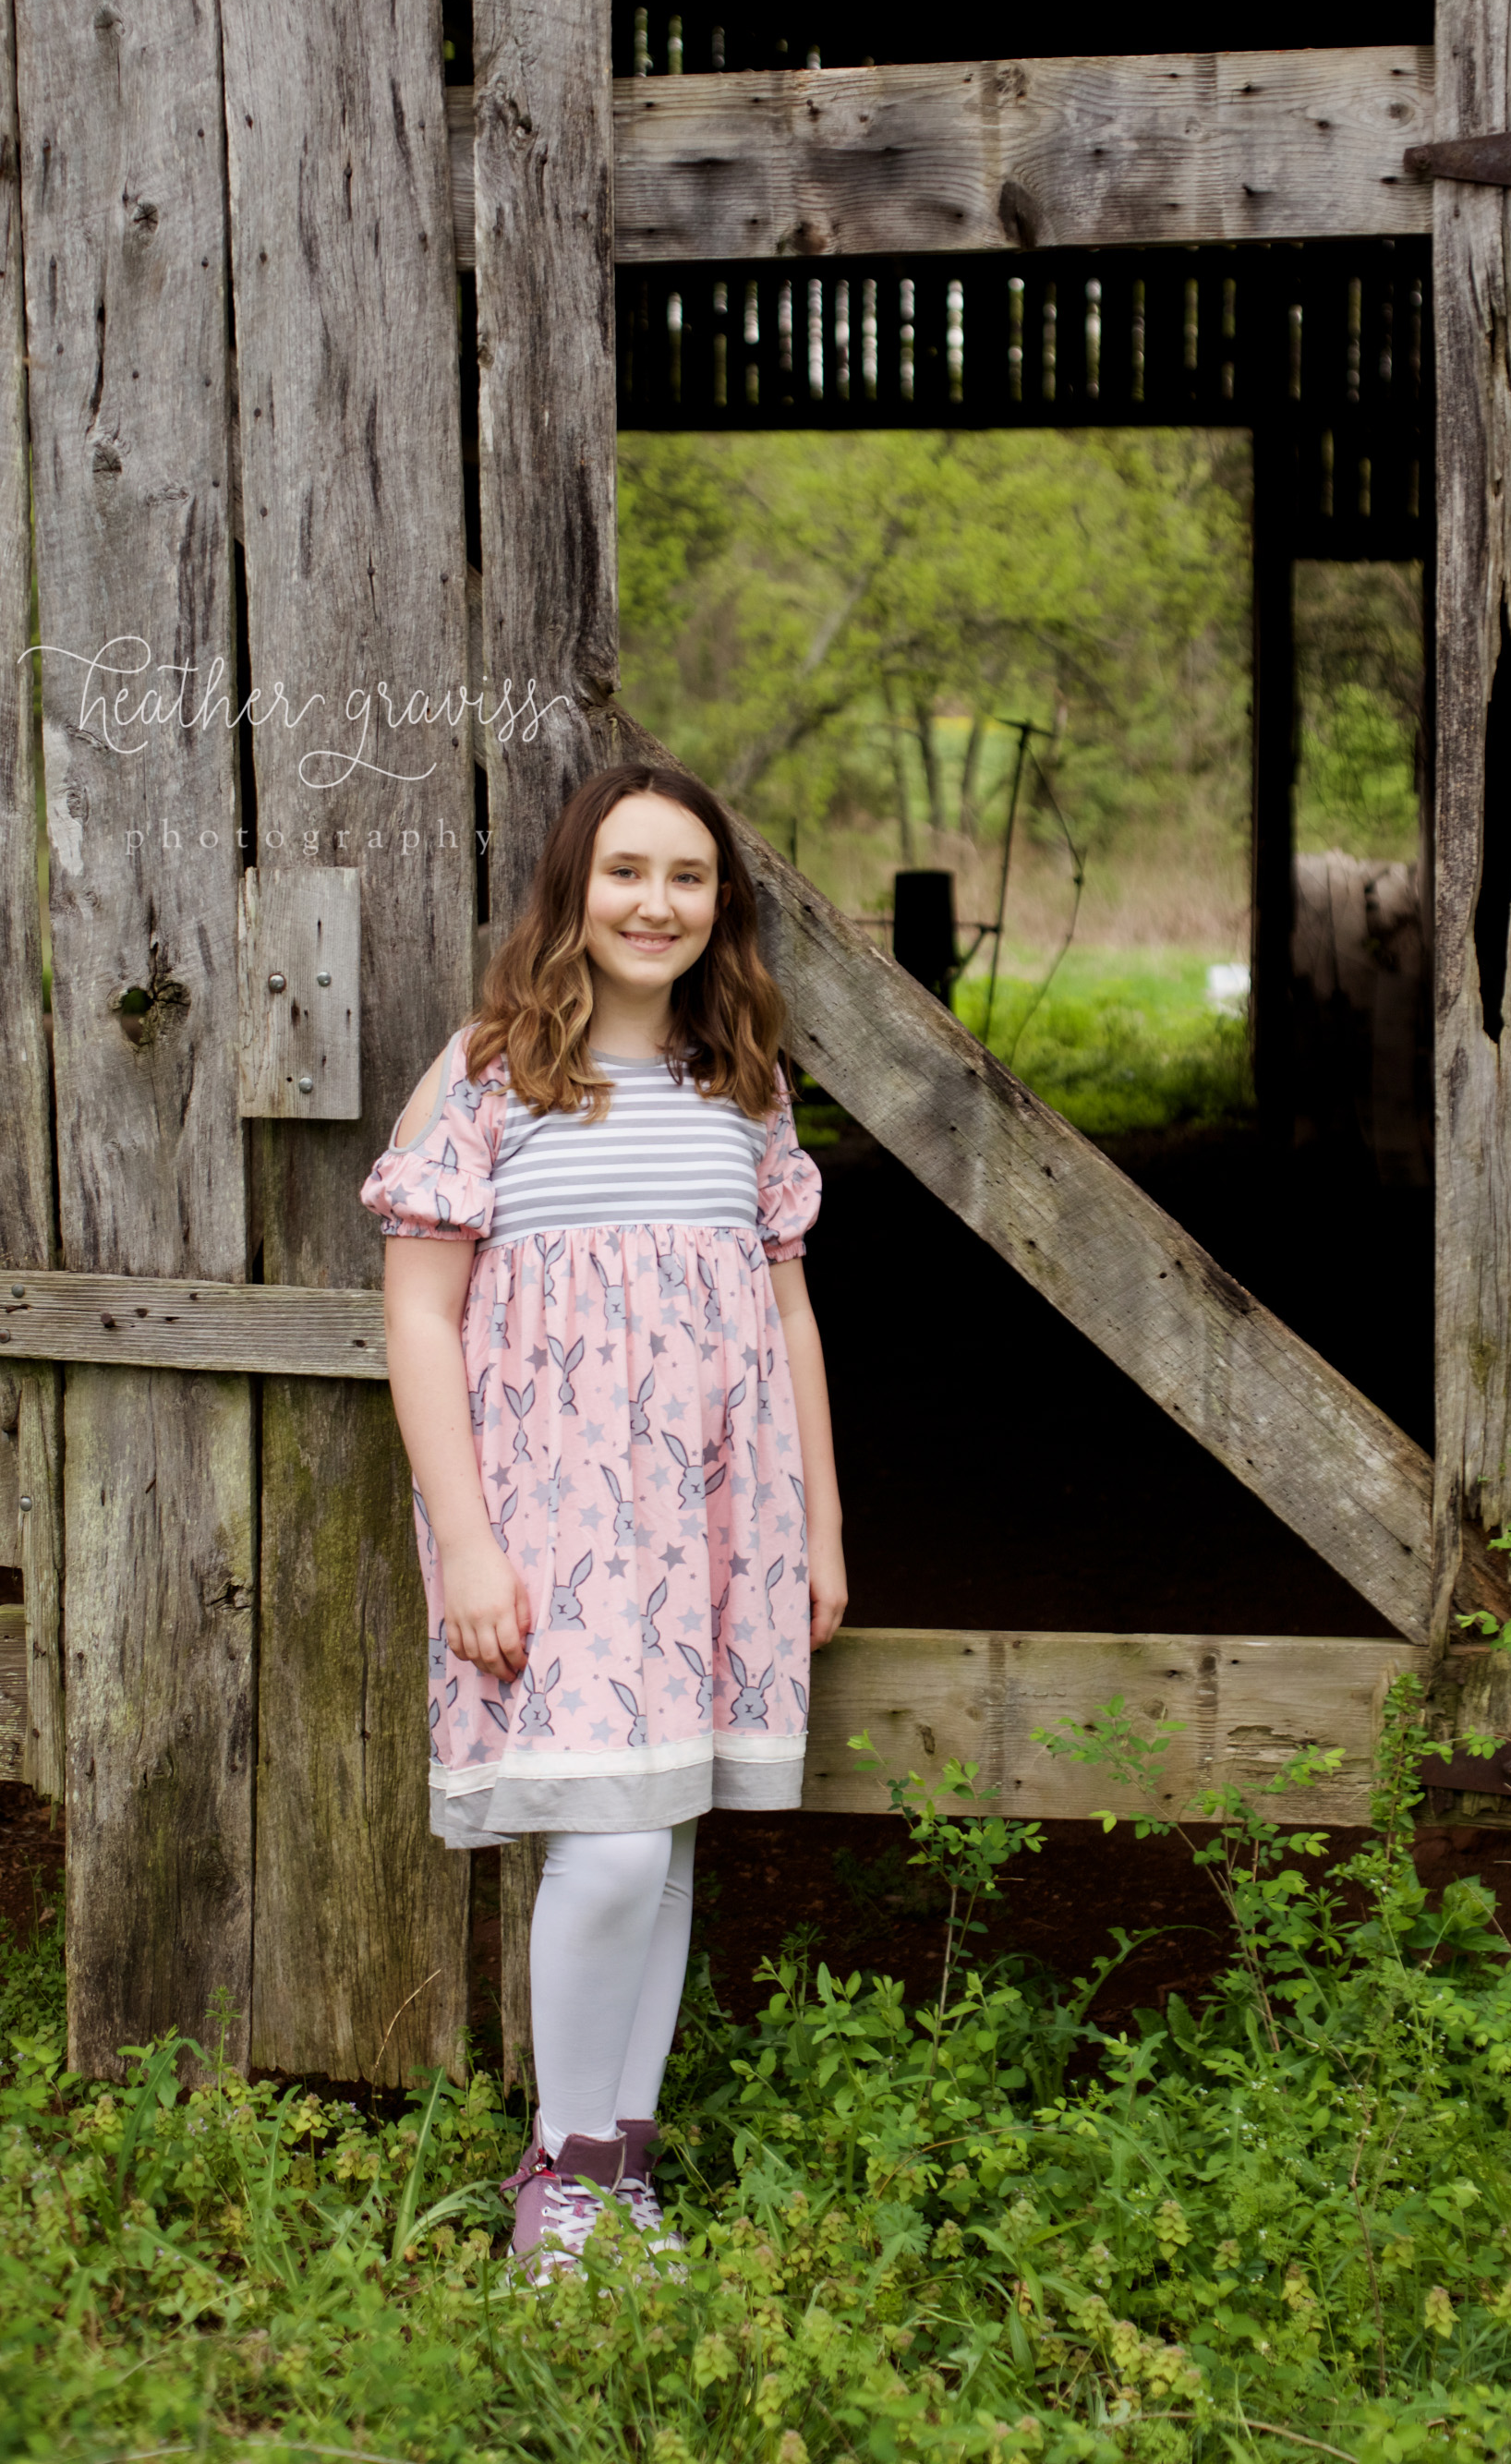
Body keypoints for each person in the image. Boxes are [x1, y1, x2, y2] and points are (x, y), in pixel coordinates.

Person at [360, 763, 847, 2278]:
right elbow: (420, 1319)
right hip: (554, 1526)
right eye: (626, 871)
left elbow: (786, 1317)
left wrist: (819, 1525)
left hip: (712, 1523)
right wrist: (471, 1538)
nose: (657, 903)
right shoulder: (491, 1072)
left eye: (689, 877)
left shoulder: (741, 1082)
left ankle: (619, 2175)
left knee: (668, 1836)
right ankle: (559, 2184)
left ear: (724, 906)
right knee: (613, 1848)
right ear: (572, 890)